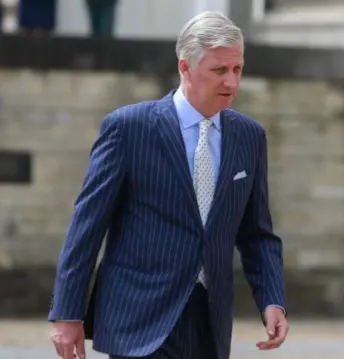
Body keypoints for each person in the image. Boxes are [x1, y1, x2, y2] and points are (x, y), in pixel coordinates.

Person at [48, 11, 289, 359]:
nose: (232, 82)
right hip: (138, 322)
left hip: (210, 321)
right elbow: (86, 227)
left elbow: (257, 233)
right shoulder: (129, 128)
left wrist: (272, 299)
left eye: (237, 69)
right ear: (185, 67)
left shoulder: (250, 137)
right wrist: (67, 312)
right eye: (219, 70)